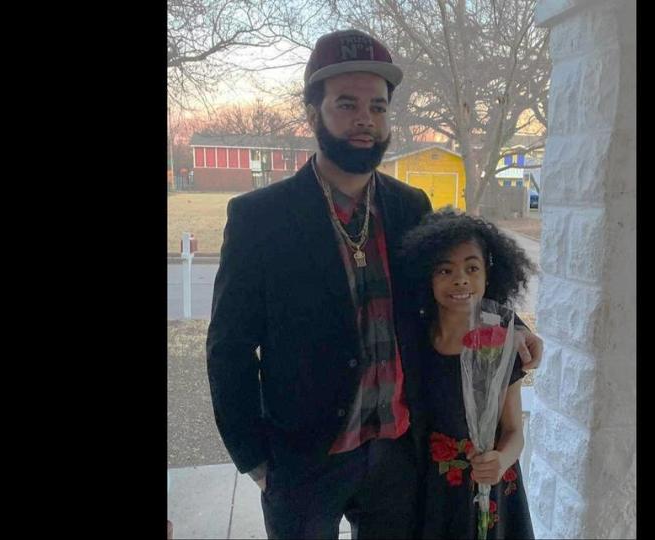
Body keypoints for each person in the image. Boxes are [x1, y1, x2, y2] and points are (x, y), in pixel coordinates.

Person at [206, 29, 543, 539]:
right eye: (347, 104)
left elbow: (453, 284)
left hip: (397, 454)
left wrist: (510, 324)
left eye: (378, 107)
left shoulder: (411, 208)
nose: (366, 119)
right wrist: (254, 458)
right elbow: (228, 347)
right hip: (303, 461)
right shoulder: (260, 218)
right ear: (313, 111)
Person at [398, 208, 536, 539]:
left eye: (471, 267)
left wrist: (500, 460)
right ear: (426, 277)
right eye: (445, 269)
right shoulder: (414, 339)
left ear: (489, 274)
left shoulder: (500, 344)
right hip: (434, 490)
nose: (460, 279)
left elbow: (515, 431)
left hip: (490, 483)